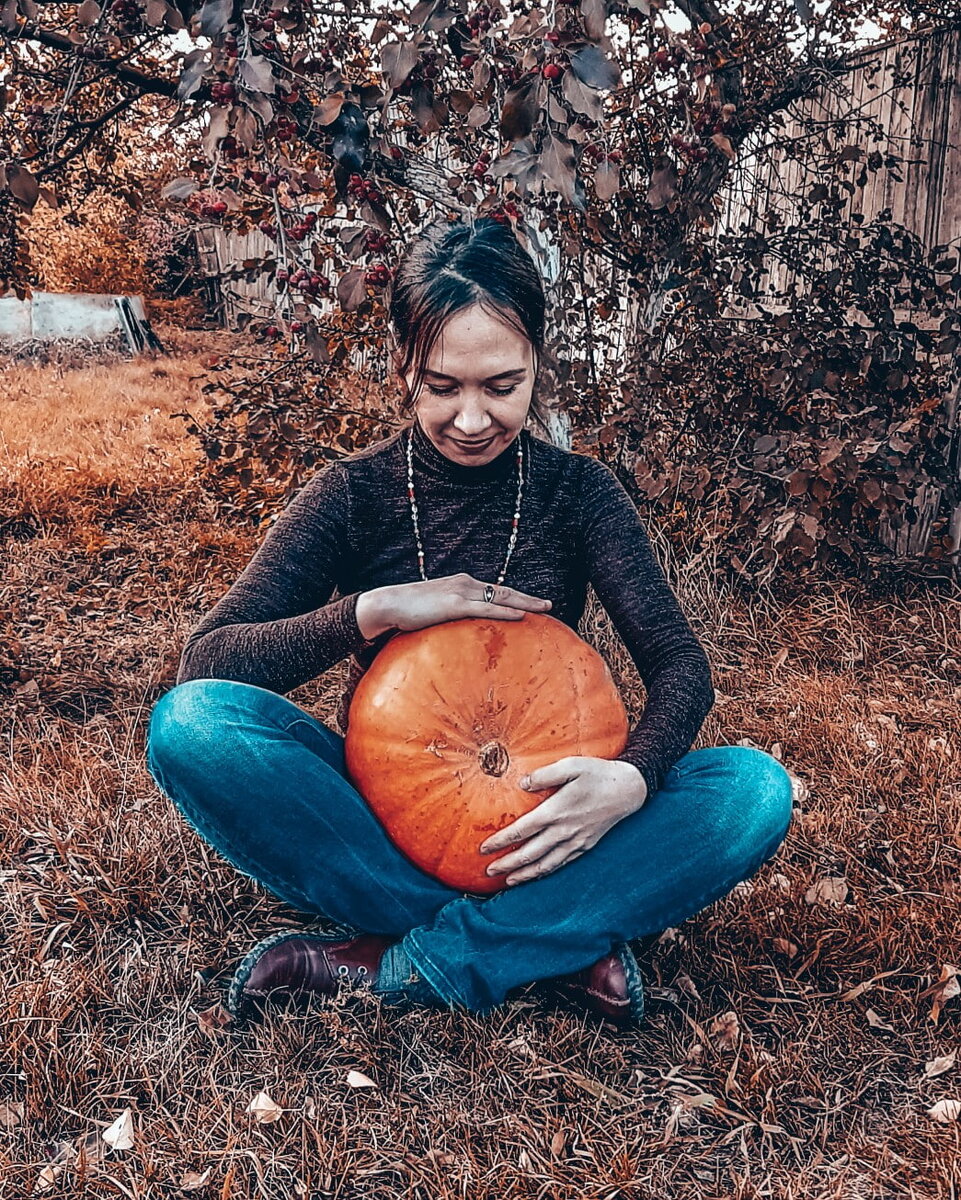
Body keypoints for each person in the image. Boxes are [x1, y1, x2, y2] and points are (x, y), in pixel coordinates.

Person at [145, 215, 794, 1029]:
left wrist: (631, 777)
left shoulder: (578, 494)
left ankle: (412, 960)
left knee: (751, 790)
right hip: (391, 817)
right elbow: (206, 661)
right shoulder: (353, 495)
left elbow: (677, 662)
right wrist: (371, 612)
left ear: (536, 368)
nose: (472, 418)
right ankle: (555, 941)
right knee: (192, 724)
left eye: (501, 385)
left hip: (553, 828)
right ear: (403, 368)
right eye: (442, 386)